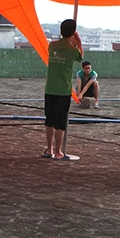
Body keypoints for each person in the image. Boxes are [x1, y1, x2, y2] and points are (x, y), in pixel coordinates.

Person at [43, 18, 83, 160]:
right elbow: (80, 58)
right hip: (63, 91)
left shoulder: (52, 46)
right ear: (73, 32)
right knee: (61, 122)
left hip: (50, 89)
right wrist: (78, 42)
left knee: (49, 120)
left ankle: (49, 149)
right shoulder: (72, 50)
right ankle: (59, 151)